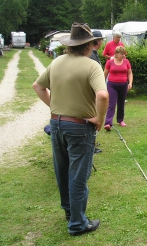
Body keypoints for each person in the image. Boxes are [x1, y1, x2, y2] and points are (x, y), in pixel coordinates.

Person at [32, 22, 109, 236]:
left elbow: (38, 86)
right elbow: (103, 95)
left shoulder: (56, 62)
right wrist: (99, 119)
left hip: (56, 124)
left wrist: (56, 108)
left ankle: (69, 212)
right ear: (87, 46)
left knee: (63, 171)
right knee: (78, 175)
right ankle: (77, 223)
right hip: (79, 127)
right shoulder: (91, 65)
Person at [104, 46, 133, 130]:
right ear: (116, 54)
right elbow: (104, 74)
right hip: (112, 85)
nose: (124, 56)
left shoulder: (126, 62)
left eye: (124, 54)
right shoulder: (110, 62)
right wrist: (102, 85)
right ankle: (108, 123)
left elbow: (130, 73)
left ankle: (120, 120)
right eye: (122, 54)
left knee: (121, 104)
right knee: (112, 104)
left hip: (123, 85)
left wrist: (130, 83)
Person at [90, 30, 105, 153]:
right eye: (101, 40)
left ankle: (92, 143)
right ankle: (91, 145)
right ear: (98, 41)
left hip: (94, 92)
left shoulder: (94, 54)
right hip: (92, 93)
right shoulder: (91, 55)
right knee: (93, 117)